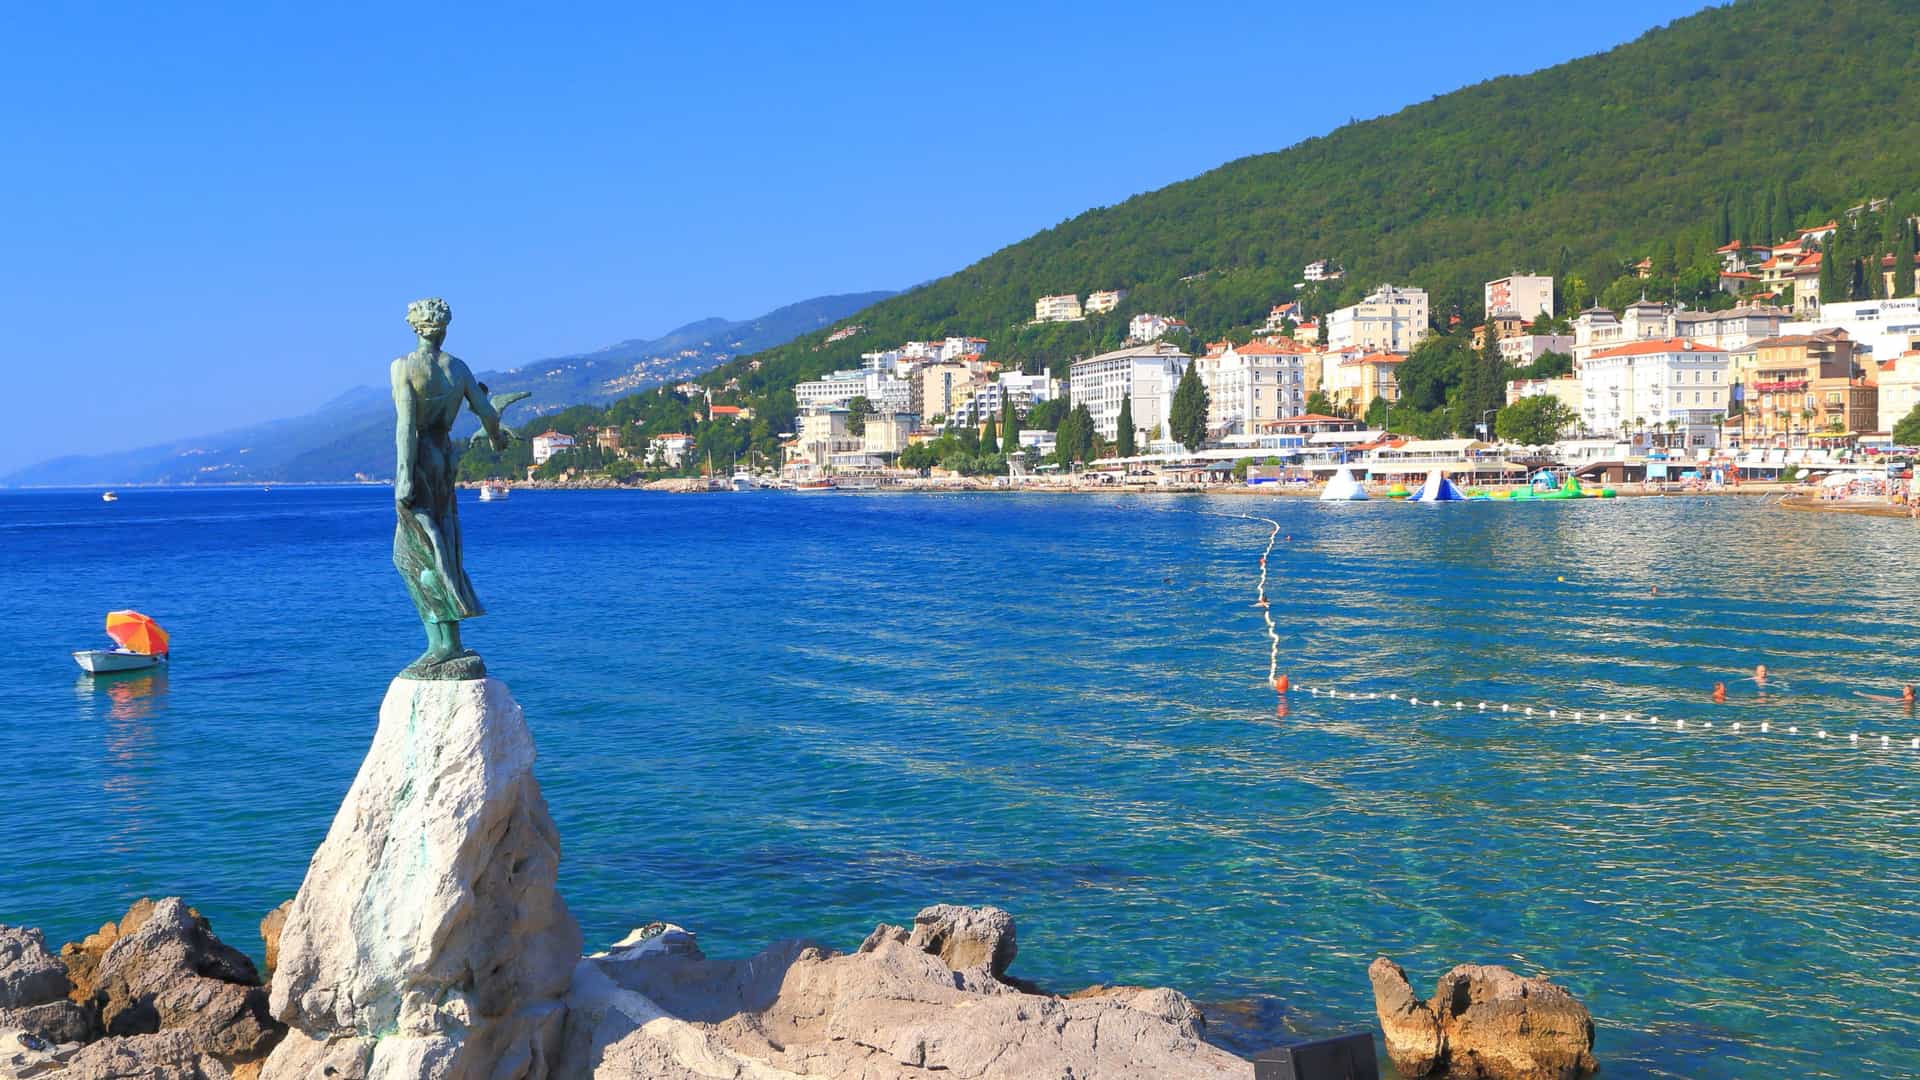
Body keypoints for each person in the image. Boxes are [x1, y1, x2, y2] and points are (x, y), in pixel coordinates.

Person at [391, 297, 519, 677]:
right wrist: (496, 437)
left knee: (411, 555)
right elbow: (486, 413)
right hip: (446, 457)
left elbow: (405, 425)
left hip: (421, 458)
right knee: (443, 543)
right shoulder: (458, 369)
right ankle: (451, 641)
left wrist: (403, 475)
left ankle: (440, 646)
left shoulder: (405, 367)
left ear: (414, 326)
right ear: (444, 327)